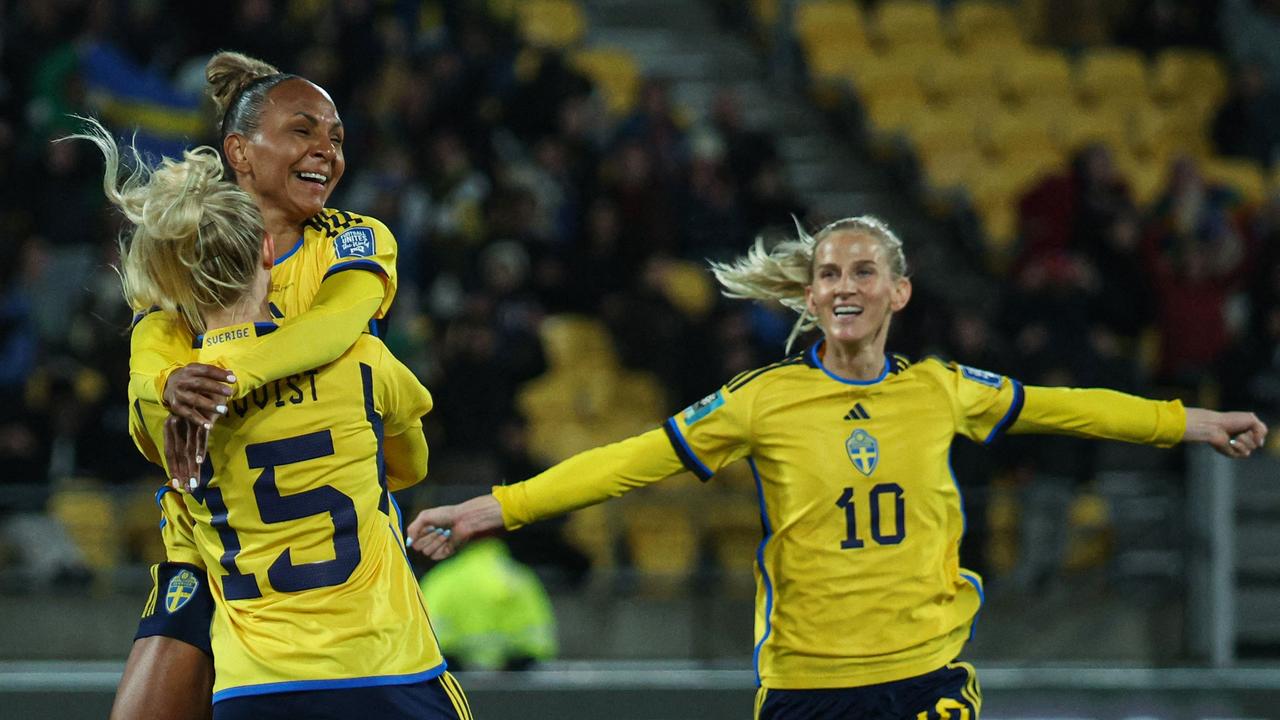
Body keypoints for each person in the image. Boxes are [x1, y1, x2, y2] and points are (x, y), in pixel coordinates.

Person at [407, 216, 1268, 719]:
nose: (844, 284)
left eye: (864, 270)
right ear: (811, 296)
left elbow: (1070, 405)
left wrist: (1193, 422)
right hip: (807, 686)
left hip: (926, 675)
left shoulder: (942, 389)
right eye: (828, 273)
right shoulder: (762, 399)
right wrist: (495, 509)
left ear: (899, 291)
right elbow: (631, 463)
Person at [70, 117, 470, 719]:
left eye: (336, 135)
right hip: (379, 655)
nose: (325, 152)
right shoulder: (362, 356)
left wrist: (189, 388)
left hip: (251, 658)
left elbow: (143, 405)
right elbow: (409, 464)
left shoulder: (172, 374)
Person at [103, 51, 403, 720]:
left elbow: (332, 328)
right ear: (239, 150)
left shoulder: (354, 238)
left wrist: (215, 379)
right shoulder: (184, 251)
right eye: (304, 130)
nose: (327, 149)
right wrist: (167, 389)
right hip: (216, 554)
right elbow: (145, 371)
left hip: (330, 557)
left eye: (336, 136)